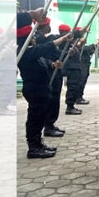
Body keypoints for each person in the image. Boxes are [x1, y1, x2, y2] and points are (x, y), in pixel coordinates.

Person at [17, 12, 72, 158]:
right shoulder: (23, 51)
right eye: (32, 37)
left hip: (41, 89)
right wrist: (62, 39)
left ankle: (39, 144)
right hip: (34, 89)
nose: (34, 39)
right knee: (35, 119)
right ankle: (33, 148)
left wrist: (53, 64)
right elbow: (42, 49)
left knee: (40, 117)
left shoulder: (31, 51)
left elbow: (43, 61)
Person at [34, 20, 66, 137]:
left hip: (55, 70)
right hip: (49, 72)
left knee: (55, 99)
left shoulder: (45, 37)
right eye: (48, 24)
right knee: (51, 100)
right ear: (44, 25)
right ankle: (48, 126)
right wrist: (51, 64)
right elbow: (43, 54)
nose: (50, 26)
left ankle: (50, 124)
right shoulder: (40, 38)